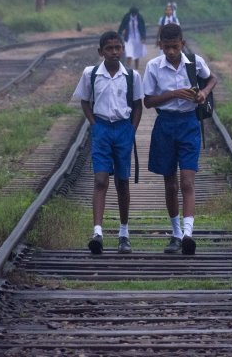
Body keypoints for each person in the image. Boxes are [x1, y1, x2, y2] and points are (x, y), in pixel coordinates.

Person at [142, 23, 217, 255]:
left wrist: (203, 93)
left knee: (187, 181)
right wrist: (174, 94)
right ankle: (175, 233)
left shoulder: (194, 62)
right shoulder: (153, 67)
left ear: (182, 44)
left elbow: (212, 78)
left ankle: (188, 233)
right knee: (170, 183)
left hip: (189, 124)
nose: (171, 52)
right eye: (166, 47)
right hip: (165, 124)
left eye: (175, 47)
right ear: (160, 45)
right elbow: (148, 101)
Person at [73, 31, 144, 255]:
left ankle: (124, 233)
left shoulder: (132, 76)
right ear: (101, 52)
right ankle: (98, 232)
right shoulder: (91, 74)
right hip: (101, 128)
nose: (114, 52)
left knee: (122, 182)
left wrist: (132, 130)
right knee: (100, 179)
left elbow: (138, 105)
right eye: (109, 48)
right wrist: (94, 124)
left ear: (123, 49)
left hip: (123, 128)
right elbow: (85, 101)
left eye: (117, 48)